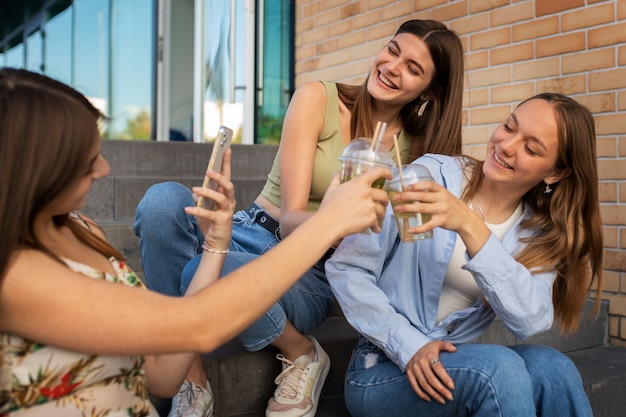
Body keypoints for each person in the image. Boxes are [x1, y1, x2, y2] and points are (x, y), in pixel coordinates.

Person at [0, 68, 392, 416]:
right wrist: (327, 223)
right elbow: (197, 327)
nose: (103, 168)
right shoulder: (16, 276)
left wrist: (217, 245)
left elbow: (162, 377)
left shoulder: (83, 231)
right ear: (35, 169)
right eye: (86, 161)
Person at [133, 19, 465, 417]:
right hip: (250, 231)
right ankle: (191, 377)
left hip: (315, 273)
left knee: (205, 275)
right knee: (161, 202)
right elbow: (291, 220)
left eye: (413, 68)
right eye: (393, 50)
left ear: (430, 90)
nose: (392, 66)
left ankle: (301, 351)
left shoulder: (418, 151)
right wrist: (338, 215)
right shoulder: (318, 98)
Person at [325, 92, 604, 417]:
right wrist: (409, 346)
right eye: (509, 126)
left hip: (452, 366)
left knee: (553, 366)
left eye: (531, 148)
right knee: (499, 368)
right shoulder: (431, 177)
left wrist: (471, 226)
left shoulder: (537, 235)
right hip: (380, 368)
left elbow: (530, 318)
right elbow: (348, 269)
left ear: (555, 173)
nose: (507, 145)